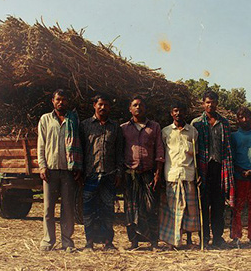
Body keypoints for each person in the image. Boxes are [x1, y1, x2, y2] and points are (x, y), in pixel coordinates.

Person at [36, 89, 83, 252]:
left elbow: (80, 143)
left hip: (69, 170)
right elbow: (41, 145)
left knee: (68, 208)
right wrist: (42, 165)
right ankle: (48, 241)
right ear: (53, 101)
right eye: (58, 99)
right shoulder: (45, 119)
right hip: (51, 170)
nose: (61, 102)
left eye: (63, 100)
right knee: (48, 209)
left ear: (67, 102)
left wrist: (78, 166)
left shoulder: (74, 119)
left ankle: (67, 242)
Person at [80, 94, 124, 251]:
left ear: (109, 107)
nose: (103, 107)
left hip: (109, 175)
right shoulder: (85, 126)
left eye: (106, 105)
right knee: (88, 210)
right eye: (100, 104)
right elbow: (80, 151)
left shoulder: (115, 127)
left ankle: (108, 242)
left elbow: (119, 153)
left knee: (107, 210)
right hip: (90, 175)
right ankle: (89, 242)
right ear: (94, 105)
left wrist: (119, 173)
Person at [191, 90, 235, 248]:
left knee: (218, 205)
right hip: (203, 169)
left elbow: (228, 149)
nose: (210, 105)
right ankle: (204, 237)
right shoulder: (196, 123)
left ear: (217, 103)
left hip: (220, 168)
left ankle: (217, 237)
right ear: (203, 103)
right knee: (203, 204)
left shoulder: (224, 123)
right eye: (207, 102)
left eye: (213, 102)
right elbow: (193, 150)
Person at [121, 96, 165, 250]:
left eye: (141, 105)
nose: (138, 107)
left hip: (149, 173)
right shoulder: (124, 128)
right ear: (130, 109)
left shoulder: (154, 127)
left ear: (145, 108)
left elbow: (159, 150)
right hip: (130, 174)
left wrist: (158, 174)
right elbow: (120, 152)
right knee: (131, 209)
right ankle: (134, 243)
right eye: (135, 105)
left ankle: (153, 242)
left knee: (150, 207)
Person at [159, 103, 200, 248]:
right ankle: (173, 241)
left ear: (185, 113)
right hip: (171, 176)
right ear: (171, 113)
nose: (178, 114)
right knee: (173, 210)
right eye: (175, 111)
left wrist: (198, 174)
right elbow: (162, 155)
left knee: (189, 209)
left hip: (188, 176)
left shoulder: (193, 132)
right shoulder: (165, 132)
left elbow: (197, 156)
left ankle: (189, 240)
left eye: (181, 111)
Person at [230, 107, 251, 247]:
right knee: (237, 208)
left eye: (247, 117)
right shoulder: (234, 136)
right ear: (237, 119)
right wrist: (241, 171)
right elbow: (231, 157)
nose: (244, 120)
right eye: (241, 117)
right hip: (239, 176)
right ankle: (236, 236)